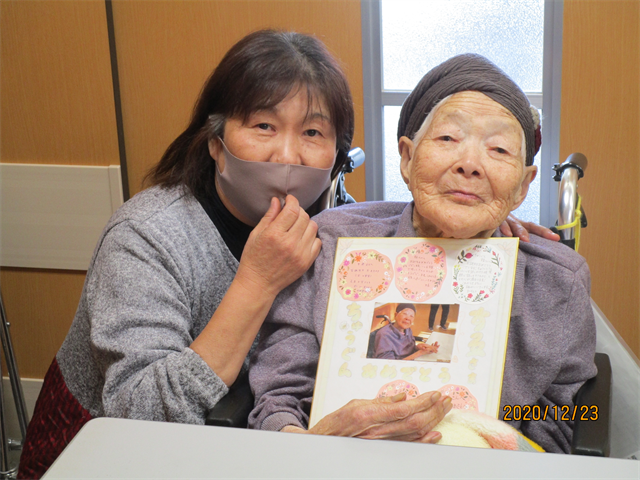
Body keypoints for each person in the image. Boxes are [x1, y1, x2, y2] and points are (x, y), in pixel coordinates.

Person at [17, 30, 356, 479]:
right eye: (263, 126)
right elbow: (137, 416)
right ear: (216, 143)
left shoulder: (340, 226)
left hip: (247, 445)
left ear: (336, 155)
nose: (287, 155)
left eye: (312, 132)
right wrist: (256, 282)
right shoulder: (146, 235)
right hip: (103, 455)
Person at [248, 53, 597, 454]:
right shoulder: (333, 245)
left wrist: (511, 445)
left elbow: (571, 416)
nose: (470, 164)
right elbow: (277, 396)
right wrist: (307, 446)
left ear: (523, 186)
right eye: (448, 139)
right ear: (407, 158)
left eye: (499, 149)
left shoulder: (558, 281)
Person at [373, 303, 439, 360]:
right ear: (396, 315)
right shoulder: (384, 335)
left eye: (411, 316)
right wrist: (420, 353)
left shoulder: (408, 330)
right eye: (405, 314)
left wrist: (418, 347)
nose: (408, 318)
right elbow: (389, 365)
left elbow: (408, 349)